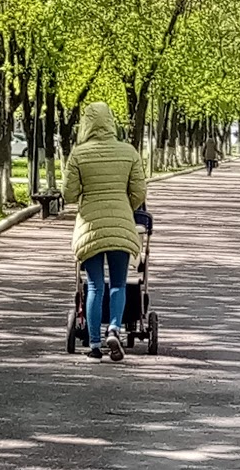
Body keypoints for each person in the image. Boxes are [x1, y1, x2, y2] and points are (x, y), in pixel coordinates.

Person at [63, 102, 147, 363]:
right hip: (121, 225)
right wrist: (124, 207)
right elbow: (139, 192)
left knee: (94, 285)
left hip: (90, 228)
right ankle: (114, 329)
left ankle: (95, 346)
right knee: (119, 283)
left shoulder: (79, 155)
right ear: (111, 122)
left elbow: (68, 194)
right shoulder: (129, 152)